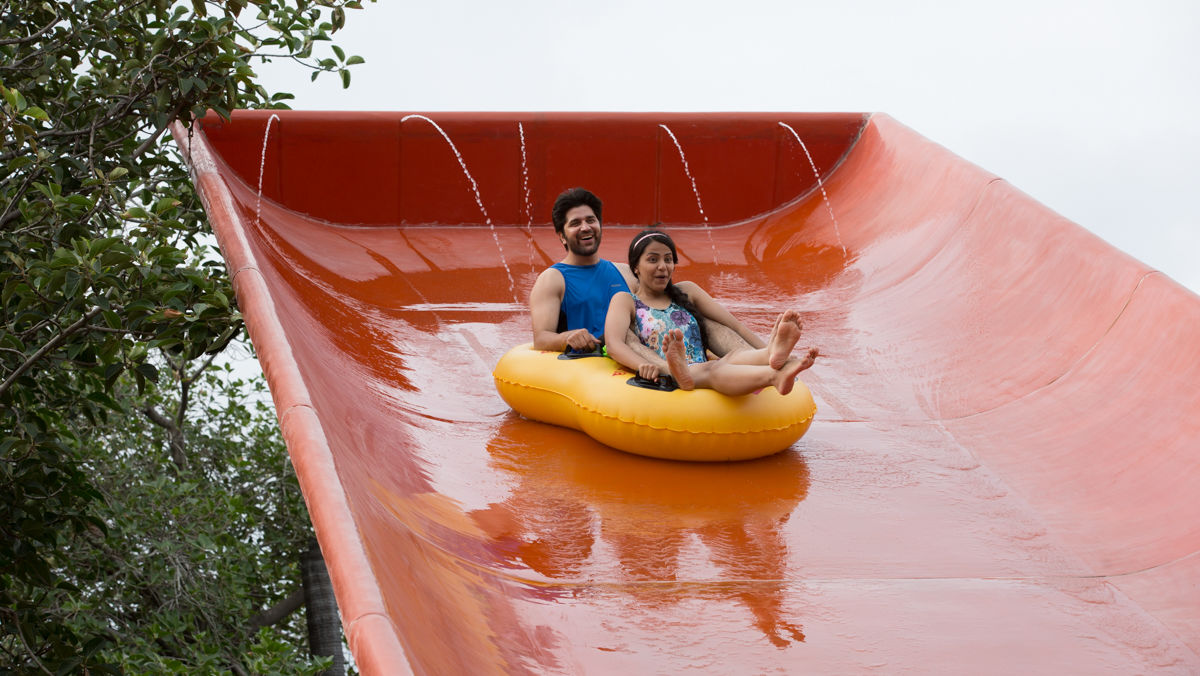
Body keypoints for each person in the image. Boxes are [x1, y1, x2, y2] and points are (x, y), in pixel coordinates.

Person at [529, 188, 756, 357]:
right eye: (575, 223)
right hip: (609, 357)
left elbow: (662, 309)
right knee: (624, 336)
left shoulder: (625, 271)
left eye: (591, 220)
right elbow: (541, 338)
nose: (586, 227)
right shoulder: (553, 279)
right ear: (561, 235)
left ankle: (763, 357)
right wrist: (568, 337)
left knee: (704, 318)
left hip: (656, 347)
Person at [604, 229, 819, 395]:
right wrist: (644, 365)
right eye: (653, 260)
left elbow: (734, 325)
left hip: (701, 366)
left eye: (668, 259)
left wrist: (769, 351)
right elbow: (614, 344)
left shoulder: (686, 290)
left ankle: (769, 354)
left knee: (729, 359)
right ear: (635, 267)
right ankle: (773, 377)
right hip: (671, 372)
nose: (663, 266)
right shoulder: (626, 301)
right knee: (714, 369)